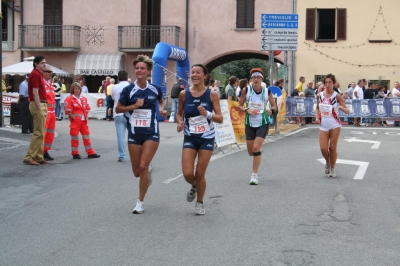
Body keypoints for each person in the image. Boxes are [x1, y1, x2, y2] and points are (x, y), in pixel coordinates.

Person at [115, 55, 167, 214]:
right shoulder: (128, 90)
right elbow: (118, 109)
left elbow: (160, 101)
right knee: (137, 172)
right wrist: (133, 106)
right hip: (134, 132)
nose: (139, 70)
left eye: (142, 68)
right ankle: (148, 171)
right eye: (137, 68)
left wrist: (162, 110)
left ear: (148, 71)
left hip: (151, 132)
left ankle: (140, 202)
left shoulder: (155, 89)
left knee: (142, 166)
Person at [176, 63, 223, 215]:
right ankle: (195, 186)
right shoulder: (184, 94)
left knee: (200, 172)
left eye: (198, 73)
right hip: (190, 136)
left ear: (205, 76)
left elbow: (220, 118)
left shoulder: (212, 94)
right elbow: (179, 113)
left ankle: (200, 202)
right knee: (188, 173)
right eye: (192, 72)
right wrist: (180, 122)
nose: (194, 75)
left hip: (206, 138)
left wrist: (207, 114)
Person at [238, 68, 277, 185]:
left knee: (255, 148)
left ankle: (254, 176)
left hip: (262, 122)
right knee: (251, 152)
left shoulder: (267, 91)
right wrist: (246, 109)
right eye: (254, 77)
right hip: (249, 123)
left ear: (261, 79)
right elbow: (239, 105)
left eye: (258, 77)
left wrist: (271, 110)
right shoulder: (246, 90)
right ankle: (258, 151)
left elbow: (274, 106)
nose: (256, 79)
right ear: (251, 79)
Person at [315, 74, 350, 178]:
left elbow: (347, 110)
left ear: (333, 83)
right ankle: (328, 162)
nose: (328, 84)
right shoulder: (320, 95)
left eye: (330, 82)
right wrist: (317, 117)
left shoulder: (337, 96)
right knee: (323, 148)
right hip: (323, 125)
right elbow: (317, 108)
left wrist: (343, 109)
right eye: (326, 82)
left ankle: (333, 169)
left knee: (332, 148)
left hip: (335, 124)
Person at [23, 55, 49, 165]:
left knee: (41, 132)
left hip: (40, 104)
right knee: (38, 133)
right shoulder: (35, 75)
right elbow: (35, 92)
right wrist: (39, 107)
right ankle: (29, 156)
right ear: (36, 64)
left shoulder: (38, 74)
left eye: (45, 62)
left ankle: (38, 156)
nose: (44, 64)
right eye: (42, 63)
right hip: (38, 104)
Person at [64, 82, 100, 159]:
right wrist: (73, 118)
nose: (77, 90)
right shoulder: (69, 99)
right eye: (75, 89)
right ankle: (75, 153)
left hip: (84, 121)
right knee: (75, 138)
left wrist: (85, 114)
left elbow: (87, 107)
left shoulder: (83, 99)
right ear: (72, 90)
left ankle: (90, 152)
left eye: (78, 89)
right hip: (75, 121)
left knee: (86, 137)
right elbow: (67, 111)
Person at [112, 70, 130, 162]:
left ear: (118, 78)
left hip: (118, 113)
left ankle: (122, 155)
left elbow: (113, 98)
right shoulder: (130, 86)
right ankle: (135, 155)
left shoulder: (114, 87)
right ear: (127, 77)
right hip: (129, 113)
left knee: (120, 136)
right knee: (132, 136)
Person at [41, 67, 57, 161]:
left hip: (52, 112)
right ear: (43, 73)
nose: (50, 73)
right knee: (44, 132)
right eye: (48, 72)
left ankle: (45, 151)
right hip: (46, 111)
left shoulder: (50, 84)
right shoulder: (42, 83)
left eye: (51, 72)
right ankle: (41, 151)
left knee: (50, 133)